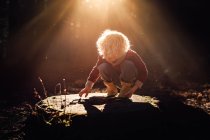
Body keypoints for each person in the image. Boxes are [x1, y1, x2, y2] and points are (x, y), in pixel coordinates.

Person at [79, 29, 148, 98]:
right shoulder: (104, 55)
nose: (110, 58)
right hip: (117, 81)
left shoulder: (131, 55)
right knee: (102, 66)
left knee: (128, 64)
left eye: (114, 55)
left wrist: (133, 89)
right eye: (107, 55)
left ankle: (126, 89)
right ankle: (112, 89)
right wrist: (88, 86)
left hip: (131, 82)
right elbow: (96, 70)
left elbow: (143, 72)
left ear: (122, 50)